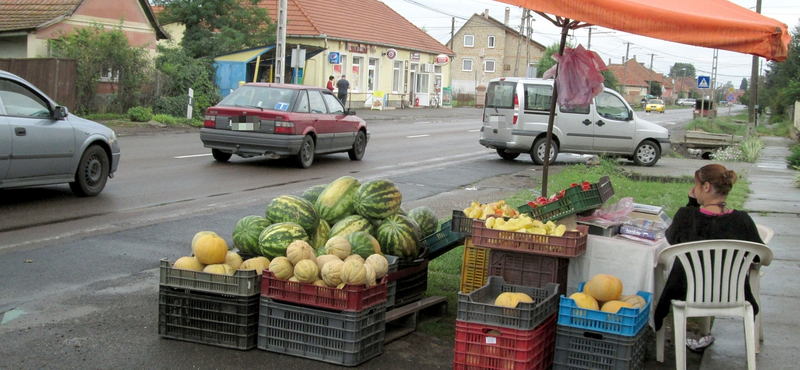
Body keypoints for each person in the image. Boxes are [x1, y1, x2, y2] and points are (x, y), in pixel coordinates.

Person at [655, 164, 763, 343]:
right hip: (732, 293)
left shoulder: (686, 216)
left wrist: (691, 203)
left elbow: (672, 239)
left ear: (705, 187)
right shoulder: (742, 220)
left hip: (687, 291)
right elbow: (759, 256)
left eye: (696, 185)